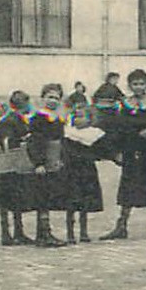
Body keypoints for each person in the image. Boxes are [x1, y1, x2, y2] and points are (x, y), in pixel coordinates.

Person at [99, 69, 146, 240]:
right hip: (132, 151)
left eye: (141, 84)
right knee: (128, 188)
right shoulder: (125, 105)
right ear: (130, 85)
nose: (138, 87)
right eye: (135, 84)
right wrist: (116, 151)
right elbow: (117, 128)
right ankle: (121, 226)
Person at [25, 83, 69, 248]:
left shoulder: (57, 118)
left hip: (54, 160)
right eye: (50, 97)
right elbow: (35, 142)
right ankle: (43, 233)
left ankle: (44, 232)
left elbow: (60, 141)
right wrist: (39, 163)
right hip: (43, 161)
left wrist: (61, 158)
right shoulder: (38, 118)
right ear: (42, 98)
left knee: (48, 194)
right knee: (42, 195)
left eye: (56, 98)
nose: (53, 101)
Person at [0, 90, 32, 245]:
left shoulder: (17, 118)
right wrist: (23, 140)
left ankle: (17, 232)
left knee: (15, 199)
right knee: (6, 200)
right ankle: (6, 234)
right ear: (22, 104)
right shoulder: (10, 120)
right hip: (8, 164)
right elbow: (5, 142)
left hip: (13, 163)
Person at [62, 103, 105, 245]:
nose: (77, 120)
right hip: (71, 171)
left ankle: (84, 231)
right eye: (75, 116)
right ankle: (70, 232)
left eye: (81, 116)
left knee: (85, 202)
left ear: (90, 119)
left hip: (87, 171)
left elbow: (101, 151)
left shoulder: (94, 134)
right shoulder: (68, 133)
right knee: (71, 201)